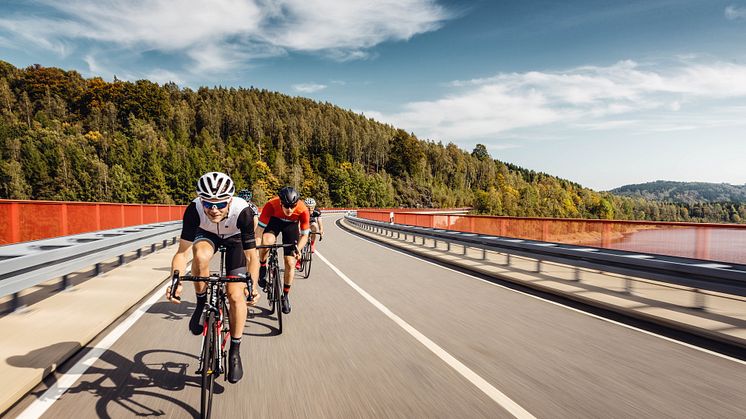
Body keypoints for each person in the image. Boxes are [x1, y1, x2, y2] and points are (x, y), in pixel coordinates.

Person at [166, 171, 259, 384]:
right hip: (208, 235)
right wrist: (175, 281)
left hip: (236, 239)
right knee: (200, 255)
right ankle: (201, 303)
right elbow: (182, 253)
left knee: (236, 296)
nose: (214, 210)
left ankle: (235, 351)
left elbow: (251, 255)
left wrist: (251, 285)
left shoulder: (242, 212)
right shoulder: (194, 211)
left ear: (230, 200)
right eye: (208, 203)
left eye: (220, 204)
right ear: (201, 200)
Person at [256, 186, 310, 314]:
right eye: (286, 206)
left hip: (291, 226)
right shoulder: (270, 205)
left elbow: (305, 235)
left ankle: (285, 296)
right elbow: (259, 231)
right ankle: (263, 265)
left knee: (290, 263)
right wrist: (256, 248)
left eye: (293, 206)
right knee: (267, 242)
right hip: (274, 222)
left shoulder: (303, 210)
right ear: (280, 202)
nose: (290, 210)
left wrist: (299, 249)